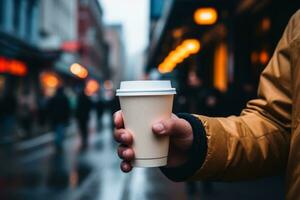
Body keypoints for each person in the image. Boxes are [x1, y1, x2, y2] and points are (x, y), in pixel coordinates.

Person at [113, 10, 300, 200]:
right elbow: (276, 126)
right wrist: (197, 143)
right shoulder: (297, 26)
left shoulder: (208, 91)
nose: (193, 79)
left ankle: (203, 188)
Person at [48, 87, 71, 151]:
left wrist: (50, 116)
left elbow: (49, 108)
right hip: (62, 118)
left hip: (55, 118)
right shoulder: (64, 98)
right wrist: (68, 117)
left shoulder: (53, 98)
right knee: (61, 131)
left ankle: (57, 142)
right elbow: (67, 109)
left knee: (56, 131)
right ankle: (59, 142)